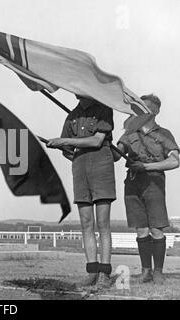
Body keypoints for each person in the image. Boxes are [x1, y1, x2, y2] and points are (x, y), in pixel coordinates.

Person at [47, 95, 116, 289]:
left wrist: (63, 141)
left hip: (101, 167)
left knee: (102, 222)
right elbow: (67, 150)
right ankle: (92, 272)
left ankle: (104, 273)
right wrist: (63, 145)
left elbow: (97, 141)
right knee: (86, 223)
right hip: (80, 169)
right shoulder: (72, 116)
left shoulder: (104, 109)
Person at [115, 94, 179, 284]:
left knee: (157, 229)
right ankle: (146, 271)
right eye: (138, 108)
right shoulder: (129, 133)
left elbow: (175, 161)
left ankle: (158, 272)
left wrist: (147, 167)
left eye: (146, 108)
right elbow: (116, 155)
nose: (141, 111)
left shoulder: (164, 134)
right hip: (133, 182)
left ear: (155, 111)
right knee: (141, 230)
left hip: (154, 182)